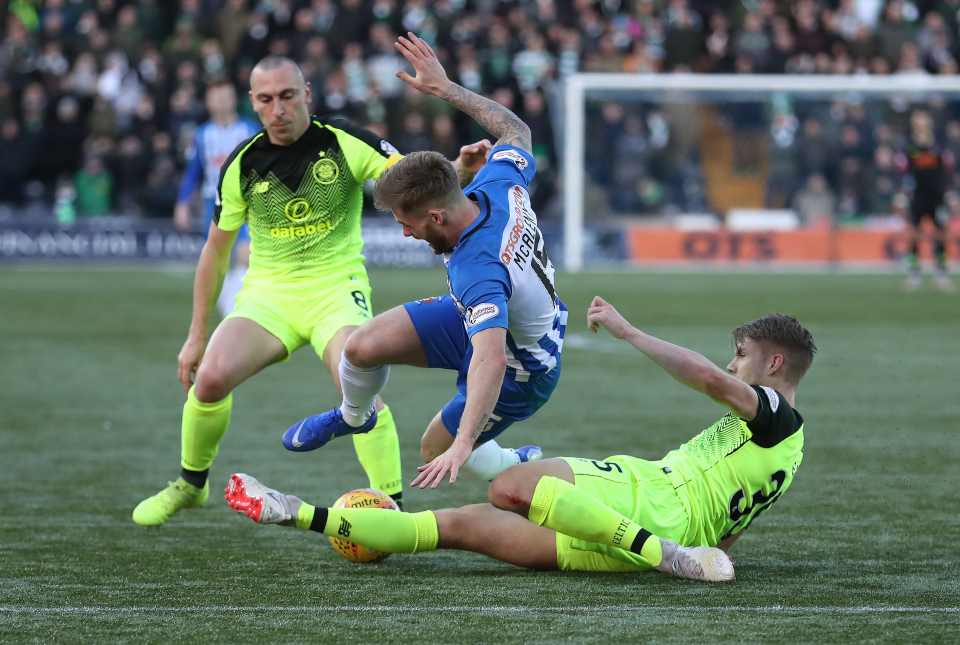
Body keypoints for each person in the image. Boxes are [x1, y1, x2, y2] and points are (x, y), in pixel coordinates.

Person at [133, 55, 491, 526]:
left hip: (334, 290)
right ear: (253, 104)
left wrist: (459, 171)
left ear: (306, 93)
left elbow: (418, 181)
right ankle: (190, 485)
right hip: (268, 296)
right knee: (210, 378)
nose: (278, 108)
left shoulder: (345, 141)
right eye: (266, 99)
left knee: (356, 382)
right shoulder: (241, 163)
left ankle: (393, 510)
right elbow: (215, 252)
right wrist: (196, 334)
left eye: (286, 95)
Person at [225, 301, 816, 582]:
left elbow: (709, 380)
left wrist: (627, 328)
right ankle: (291, 511)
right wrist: (717, 547)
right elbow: (736, 526)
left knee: (510, 485)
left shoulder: (773, 411)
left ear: (775, 363)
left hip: (652, 500)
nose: (731, 365)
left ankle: (666, 555)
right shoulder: (788, 457)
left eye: (742, 356)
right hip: (638, 531)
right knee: (451, 528)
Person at [281, 34, 564, 488]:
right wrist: (448, 90)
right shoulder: (495, 179)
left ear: (436, 214)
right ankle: (355, 417)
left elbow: (489, 361)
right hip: (488, 318)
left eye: (406, 222)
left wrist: (463, 444)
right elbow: (517, 131)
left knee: (435, 447)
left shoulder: (478, 270)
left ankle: (511, 461)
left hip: (521, 365)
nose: (404, 232)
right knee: (359, 347)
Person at [174, 79, 261, 317]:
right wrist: (182, 204)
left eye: (227, 96)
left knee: (246, 255)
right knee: (217, 262)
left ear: (235, 99)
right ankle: (228, 307)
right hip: (213, 205)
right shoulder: (202, 135)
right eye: (217, 97)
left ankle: (236, 311)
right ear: (208, 102)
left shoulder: (251, 130)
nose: (222, 102)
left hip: (247, 203)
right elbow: (193, 172)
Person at [902, 109, 953, 292]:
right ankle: (914, 273)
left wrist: (949, 192)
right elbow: (903, 171)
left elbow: (947, 170)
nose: (920, 122)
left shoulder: (938, 145)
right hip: (917, 196)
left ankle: (941, 274)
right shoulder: (909, 145)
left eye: (923, 118)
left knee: (940, 234)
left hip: (937, 196)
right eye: (917, 119)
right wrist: (902, 192)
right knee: (914, 234)